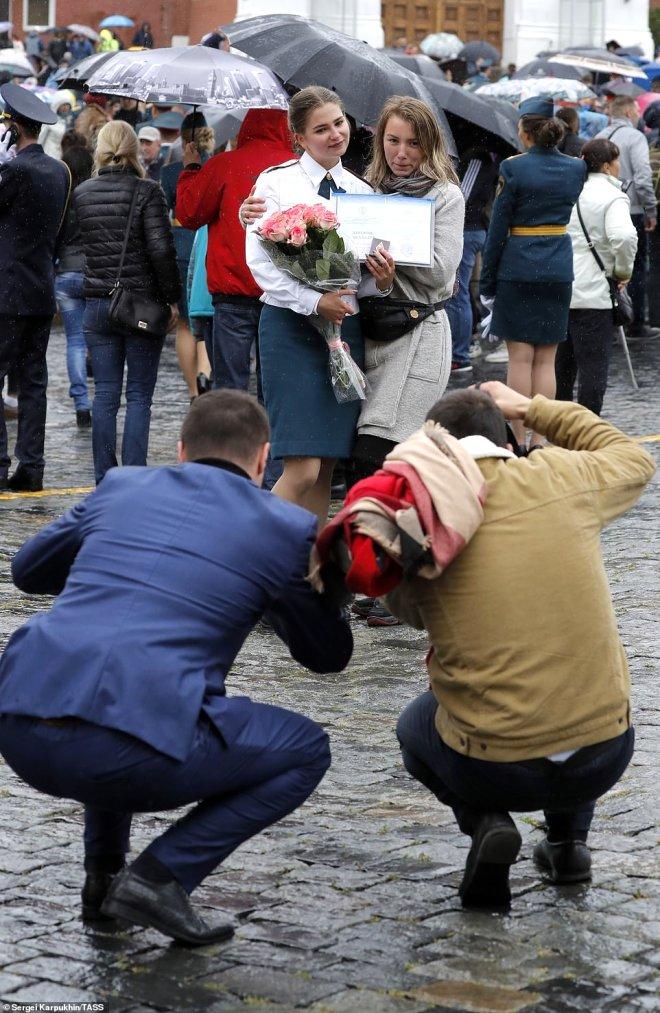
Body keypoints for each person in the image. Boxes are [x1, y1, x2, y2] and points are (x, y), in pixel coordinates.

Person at [0, 389, 353, 944]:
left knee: (121, 692)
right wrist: (312, 589)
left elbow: (26, 570)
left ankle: (104, 880)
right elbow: (327, 656)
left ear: (180, 448)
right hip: (130, 747)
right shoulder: (284, 529)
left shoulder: (119, 486)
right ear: (265, 460)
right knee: (306, 750)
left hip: (19, 718)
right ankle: (159, 878)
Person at [390, 382, 655, 910]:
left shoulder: (421, 522)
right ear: (509, 443)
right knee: (568, 686)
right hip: (605, 752)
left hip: (495, 765)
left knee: (413, 727)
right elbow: (633, 456)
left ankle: (486, 823)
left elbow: (410, 614)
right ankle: (568, 846)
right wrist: (530, 407)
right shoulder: (561, 476)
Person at [244, 88, 395, 527]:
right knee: (302, 466)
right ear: (299, 138)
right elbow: (259, 263)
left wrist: (380, 283)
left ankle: (305, 568)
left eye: (339, 123)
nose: (335, 135)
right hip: (290, 329)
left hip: (342, 331)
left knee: (326, 465)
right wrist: (314, 300)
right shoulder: (274, 183)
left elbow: (362, 276)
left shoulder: (362, 190)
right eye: (321, 129)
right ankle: (253, 554)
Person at [74, 120, 180, 484]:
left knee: (104, 394)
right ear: (134, 150)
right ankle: (134, 476)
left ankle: (105, 477)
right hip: (139, 306)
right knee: (138, 396)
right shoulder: (148, 191)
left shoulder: (84, 192)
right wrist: (172, 300)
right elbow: (162, 250)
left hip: (98, 304)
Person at [479, 97, 586, 449]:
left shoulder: (514, 167)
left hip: (519, 265)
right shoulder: (576, 168)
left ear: (525, 130)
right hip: (557, 265)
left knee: (520, 358)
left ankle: (519, 438)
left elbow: (498, 229)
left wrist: (488, 280)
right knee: (547, 359)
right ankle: (542, 439)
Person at [177, 109, 295, 392]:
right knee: (274, 385)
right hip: (280, 293)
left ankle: (233, 435)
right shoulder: (295, 167)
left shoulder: (224, 164)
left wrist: (192, 168)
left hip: (232, 292)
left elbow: (189, 214)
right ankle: (271, 435)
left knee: (230, 385)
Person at [0, 83, 71, 492]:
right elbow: (61, 231)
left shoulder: (15, 171)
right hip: (41, 287)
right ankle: (32, 465)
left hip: (7, 291)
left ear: (12, 128)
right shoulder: (59, 171)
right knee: (33, 382)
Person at [556, 139, 637, 415]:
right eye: (616, 161)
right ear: (606, 165)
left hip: (560, 287)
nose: (619, 166)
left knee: (561, 368)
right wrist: (622, 272)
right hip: (594, 293)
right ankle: (586, 431)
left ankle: (560, 429)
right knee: (593, 369)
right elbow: (624, 236)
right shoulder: (613, 196)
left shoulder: (567, 190)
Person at [160, 113, 213, 400]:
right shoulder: (215, 165)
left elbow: (164, 212)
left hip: (180, 245)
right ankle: (206, 375)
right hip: (206, 243)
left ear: (182, 138)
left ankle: (193, 390)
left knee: (184, 322)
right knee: (206, 315)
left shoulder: (169, 173)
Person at [596, 97, 659, 339]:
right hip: (630, 209)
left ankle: (609, 321)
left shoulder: (600, 135)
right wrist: (650, 209)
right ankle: (635, 323)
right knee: (635, 266)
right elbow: (643, 176)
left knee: (606, 264)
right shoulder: (635, 137)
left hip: (601, 209)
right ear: (630, 112)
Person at [445, 145, 497, 373]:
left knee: (458, 292)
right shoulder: (478, 156)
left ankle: (460, 354)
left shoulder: (477, 156)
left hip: (468, 230)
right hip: (471, 229)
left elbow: (462, 197)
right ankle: (459, 351)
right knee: (458, 292)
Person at [55, 144, 95, 427]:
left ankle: (81, 402)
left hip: (66, 274)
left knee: (75, 342)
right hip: (94, 275)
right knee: (100, 340)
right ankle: (104, 396)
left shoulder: (60, 200)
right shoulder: (94, 197)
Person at [38, 91, 73, 160]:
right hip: (48, 156)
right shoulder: (49, 120)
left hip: (62, 158)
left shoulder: (69, 121)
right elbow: (40, 139)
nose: (66, 107)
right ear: (57, 106)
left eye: (67, 105)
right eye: (63, 105)